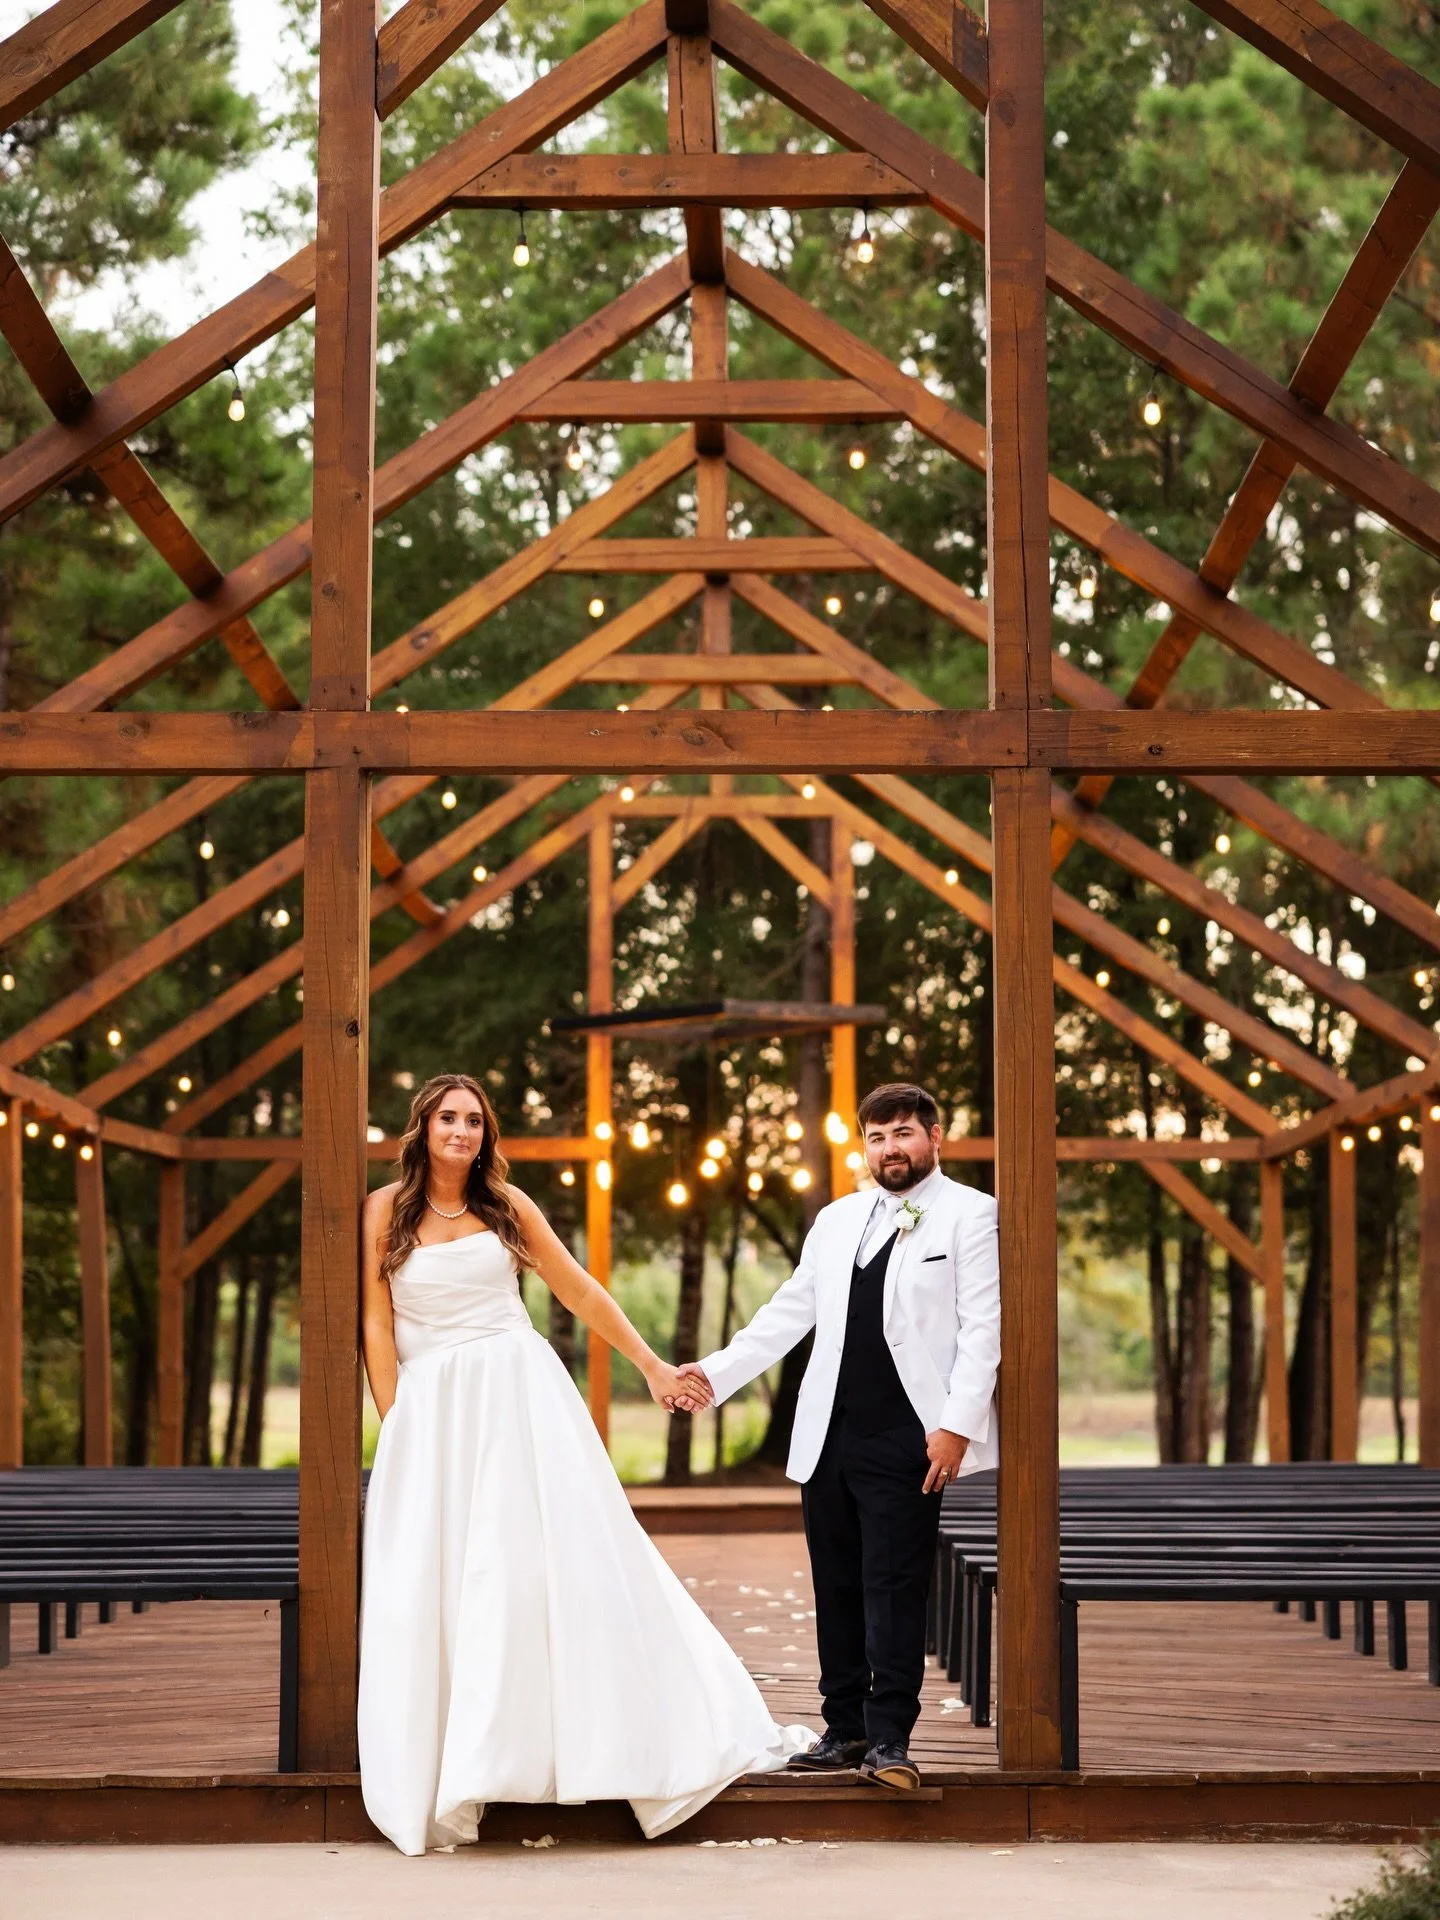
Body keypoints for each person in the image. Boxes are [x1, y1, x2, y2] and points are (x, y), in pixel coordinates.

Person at [357, 1073, 810, 1855]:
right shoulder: (383, 1210)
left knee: (531, 1568)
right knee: (440, 1578)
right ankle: (455, 1761)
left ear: (485, 1133)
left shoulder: (509, 1207)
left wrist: (652, 1367)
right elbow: (375, 1316)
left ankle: (564, 1748)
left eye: (473, 1120)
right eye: (447, 1119)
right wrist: (394, 1418)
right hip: (432, 1413)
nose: (460, 1132)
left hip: (517, 1401)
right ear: (422, 1127)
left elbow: (580, 1292)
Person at [677, 1082, 999, 1792]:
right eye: (878, 1137)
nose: (892, 1148)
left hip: (912, 1437)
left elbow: (983, 1331)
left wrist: (955, 1426)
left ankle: (890, 1741)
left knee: (896, 1585)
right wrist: (714, 1373)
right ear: (865, 1146)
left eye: (905, 1133)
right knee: (839, 1585)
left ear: (934, 1138)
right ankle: (844, 1728)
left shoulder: (972, 1217)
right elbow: (787, 1312)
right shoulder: (836, 1219)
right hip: (829, 1433)